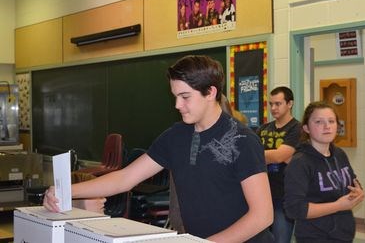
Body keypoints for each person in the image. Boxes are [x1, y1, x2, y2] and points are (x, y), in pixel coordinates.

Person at [44, 55, 274, 243]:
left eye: (185, 97)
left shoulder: (243, 140)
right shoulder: (176, 136)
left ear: (210, 92)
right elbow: (125, 178)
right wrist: (66, 192)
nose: (177, 105)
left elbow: (262, 215)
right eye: (175, 96)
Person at [284, 101, 365, 243]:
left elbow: (352, 183)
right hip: (315, 236)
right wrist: (338, 206)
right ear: (306, 128)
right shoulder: (300, 162)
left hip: (343, 235)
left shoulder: (339, 154)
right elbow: (295, 209)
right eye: (319, 122)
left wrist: (358, 192)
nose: (327, 126)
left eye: (331, 121)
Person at [256, 86, 301, 243]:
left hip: (284, 196)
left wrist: (274, 156)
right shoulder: (263, 128)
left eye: (278, 104)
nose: (273, 108)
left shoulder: (297, 129)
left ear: (289, 104)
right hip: (261, 194)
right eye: (271, 104)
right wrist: (275, 156)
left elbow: (279, 156)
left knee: (281, 239)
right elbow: (251, 155)